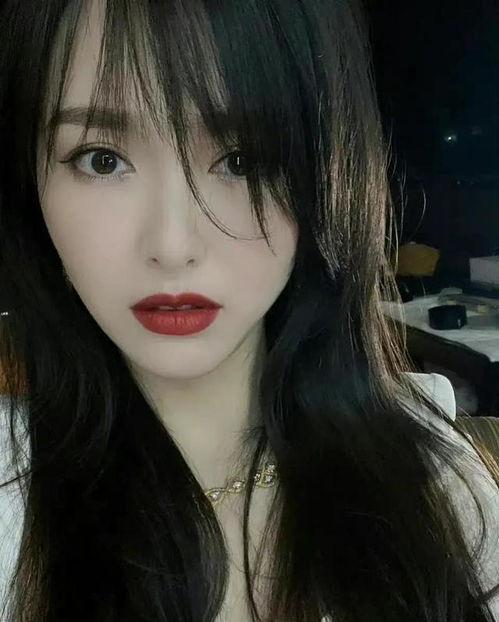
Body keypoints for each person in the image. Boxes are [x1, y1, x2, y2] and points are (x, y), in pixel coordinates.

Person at [0, 1, 497, 620]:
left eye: (242, 160)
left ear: (324, 175)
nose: (173, 246)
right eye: (102, 158)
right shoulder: (12, 510)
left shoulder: (441, 490)